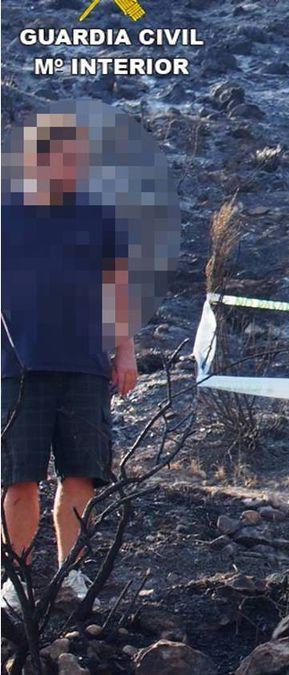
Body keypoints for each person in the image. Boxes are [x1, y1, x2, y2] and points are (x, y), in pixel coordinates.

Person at [0, 114, 137, 613]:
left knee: (81, 475)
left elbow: (118, 289)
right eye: (70, 156)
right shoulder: (6, 211)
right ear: (40, 158)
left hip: (85, 365)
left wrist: (124, 350)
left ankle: (71, 573)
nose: (79, 166)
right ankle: (16, 579)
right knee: (20, 477)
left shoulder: (100, 214)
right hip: (19, 366)